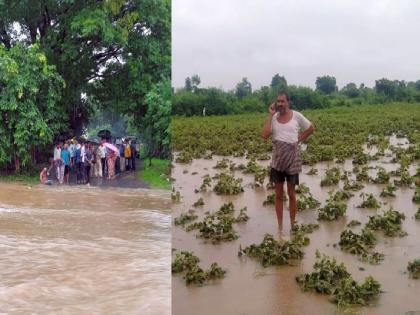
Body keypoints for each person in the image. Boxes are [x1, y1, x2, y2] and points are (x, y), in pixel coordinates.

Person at [261, 91, 315, 229]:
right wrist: (270, 115)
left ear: (288, 102)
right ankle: (280, 227)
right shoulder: (273, 118)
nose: (280, 104)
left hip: (293, 160)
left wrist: (298, 140)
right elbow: (265, 135)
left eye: (282, 101)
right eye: (278, 101)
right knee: (278, 194)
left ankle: (292, 225)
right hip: (277, 161)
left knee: (291, 194)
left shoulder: (297, 116)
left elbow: (310, 128)